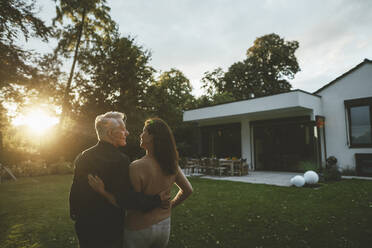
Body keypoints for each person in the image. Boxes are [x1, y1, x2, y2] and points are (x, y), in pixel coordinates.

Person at [88, 117, 193, 248]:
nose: (140, 135)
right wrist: (170, 205)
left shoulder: (137, 166)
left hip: (139, 230)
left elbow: (131, 203)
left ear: (152, 137)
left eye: (144, 131)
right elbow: (188, 190)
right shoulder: (171, 164)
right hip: (164, 226)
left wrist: (103, 192)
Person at [69, 112, 169, 248]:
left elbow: (75, 192)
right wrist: (157, 199)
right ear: (111, 133)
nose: (127, 133)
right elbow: (126, 199)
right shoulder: (120, 160)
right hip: (109, 228)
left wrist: (75, 214)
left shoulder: (83, 156)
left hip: (85, 226)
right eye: (123, 129)